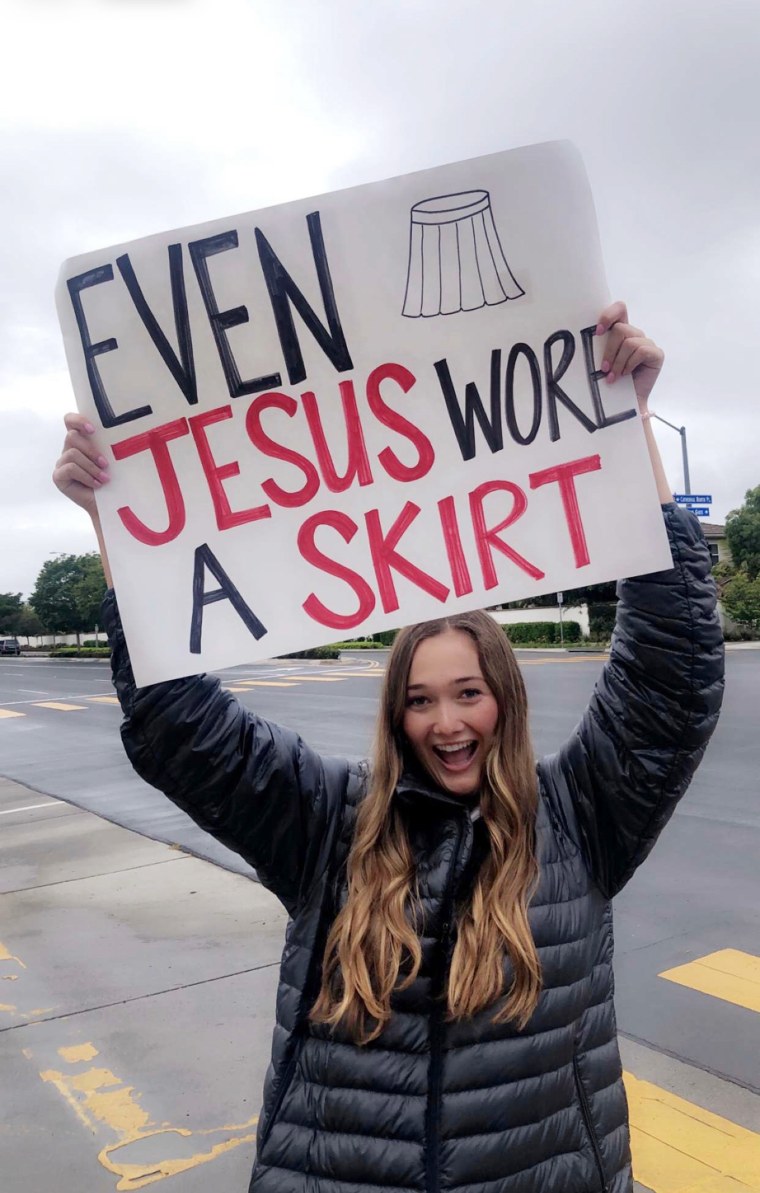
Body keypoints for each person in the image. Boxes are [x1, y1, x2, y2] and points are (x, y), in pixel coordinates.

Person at [54, 302, 724, 1193]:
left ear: (506, 699)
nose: (447, 723)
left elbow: (670, 684)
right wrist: (117, 520)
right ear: (392, 714)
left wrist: (627, 423)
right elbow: (183, 726)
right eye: (419, 699)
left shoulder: (580, 821)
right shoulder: (327, 822)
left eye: (468, 692)